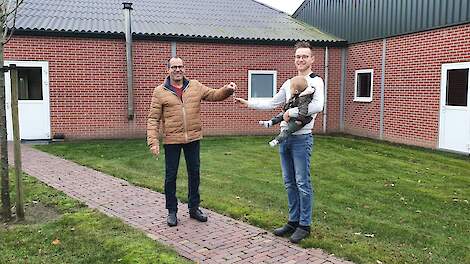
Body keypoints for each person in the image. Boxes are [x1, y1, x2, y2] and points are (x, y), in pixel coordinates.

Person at [235, 41, 324, 243]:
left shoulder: (316, 81)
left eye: (305, 56)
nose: (301, 60)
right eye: (298, 56)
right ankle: (292, 222)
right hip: (285, 139)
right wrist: (248, 103)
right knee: (289, 182)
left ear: (312, 59)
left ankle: (304, 225)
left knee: (302, 182)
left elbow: (318, 105)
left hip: (302, 138)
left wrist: (290, 112)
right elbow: (272, 102)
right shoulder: (289, 82)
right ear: (295, 60)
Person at [147, 57, 236, 227]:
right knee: (170, 176)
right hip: (172, 140)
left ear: (184, 69)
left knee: (194, 173)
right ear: (168, 70)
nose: (177, 70)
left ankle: (194, 208)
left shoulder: (195, 86)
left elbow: (214, 94)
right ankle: (172, 211)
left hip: (193, 138)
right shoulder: (159, 91)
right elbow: (153, 118)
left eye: (180, 66)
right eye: (174, 67)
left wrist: (227, 89)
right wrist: (153, 141)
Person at [259, 75, 315, 147]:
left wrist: (300, 120)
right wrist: (285, 110)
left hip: (300, 120)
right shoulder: (296, 95)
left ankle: (277, 140)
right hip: (292, 114)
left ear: (296, 90)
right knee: (280, 115)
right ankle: (270, 122)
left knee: (289, 129)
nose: (289, 89)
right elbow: (289, 103)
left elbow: (303, 110)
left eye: (290, 88)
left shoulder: (303, 99)